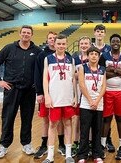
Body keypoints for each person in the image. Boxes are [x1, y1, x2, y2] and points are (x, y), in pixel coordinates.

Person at [0, 25, 42, 159]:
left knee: (27, 118)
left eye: (28, 33)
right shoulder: (9, 48)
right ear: (20, 34)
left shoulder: (37, 51)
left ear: (31, 35)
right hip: (11, 89)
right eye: (24, 32)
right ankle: (3, 146)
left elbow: (42, 69)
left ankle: (26, 143)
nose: (26, 34)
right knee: (8, 118)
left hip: (29, 91)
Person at [42, 34, 77, 163]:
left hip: (67, 98)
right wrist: (47, 96)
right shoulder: (48, 59)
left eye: (63, 44)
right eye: (59, 44)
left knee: (68, 124)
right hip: (54, 98)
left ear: (66, 44)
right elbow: (45, 79)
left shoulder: (71, 60)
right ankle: (50, 156)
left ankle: (68, 154)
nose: (61, 46)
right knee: (52, 125)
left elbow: (73, 79)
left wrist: (75, 96)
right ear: (54, 44)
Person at [99, 33, 121, 160]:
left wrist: (114, 69)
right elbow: (102, 72)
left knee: (120, 119)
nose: (115, 43)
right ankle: (102, 146)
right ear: (110, 42)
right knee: (106, 119)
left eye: (118, 41)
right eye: (113, 41)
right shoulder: (104, 56)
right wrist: (119, 73)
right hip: (107, 91)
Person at [34, 31, 66, 159]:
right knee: (46, 120)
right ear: (47, 40)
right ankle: (43, 145)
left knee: (62, 121)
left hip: (61, 94)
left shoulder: (66, 55)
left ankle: (62, 144)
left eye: (54, 38)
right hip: (47, 94)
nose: (52, 40)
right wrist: (40, 92)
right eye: (50, 38)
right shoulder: (42, 55)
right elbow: (38, 74)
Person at [77, 46, 106, 163]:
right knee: (84, 131)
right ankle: (82, 155)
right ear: (87, 56)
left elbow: (104, 86)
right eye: (91, 54)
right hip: (86, 104)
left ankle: (96, 154)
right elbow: (82, 85)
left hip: (99, 104)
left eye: (96, 54)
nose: (94, 56)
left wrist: (97, 100)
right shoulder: (82, 68)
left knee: (97, 130)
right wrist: (90, 100)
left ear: (99, 57)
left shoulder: (103, 69)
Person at [92, 24, 114, 152]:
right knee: (92, 115)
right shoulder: (90, 48)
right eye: (98, 31)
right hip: (92, 86)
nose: (100, 33)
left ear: (105, 34)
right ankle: (93, 141)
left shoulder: (109, 49)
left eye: (102, 31)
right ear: (94, 33)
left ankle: (108, 138)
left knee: (106, 115)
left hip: (106, 86)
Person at [71, 36, 92, 157]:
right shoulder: (75, 59)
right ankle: (76, 142)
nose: (84, 45)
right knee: (77, 119)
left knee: (88, 119)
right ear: (79, 45)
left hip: (90, 91)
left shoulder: (93, 58)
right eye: (82, 43)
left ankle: (88, 143)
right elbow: (73, 77)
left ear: (90, 45)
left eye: (86, 43)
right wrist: (74, 94)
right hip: (78, 90)